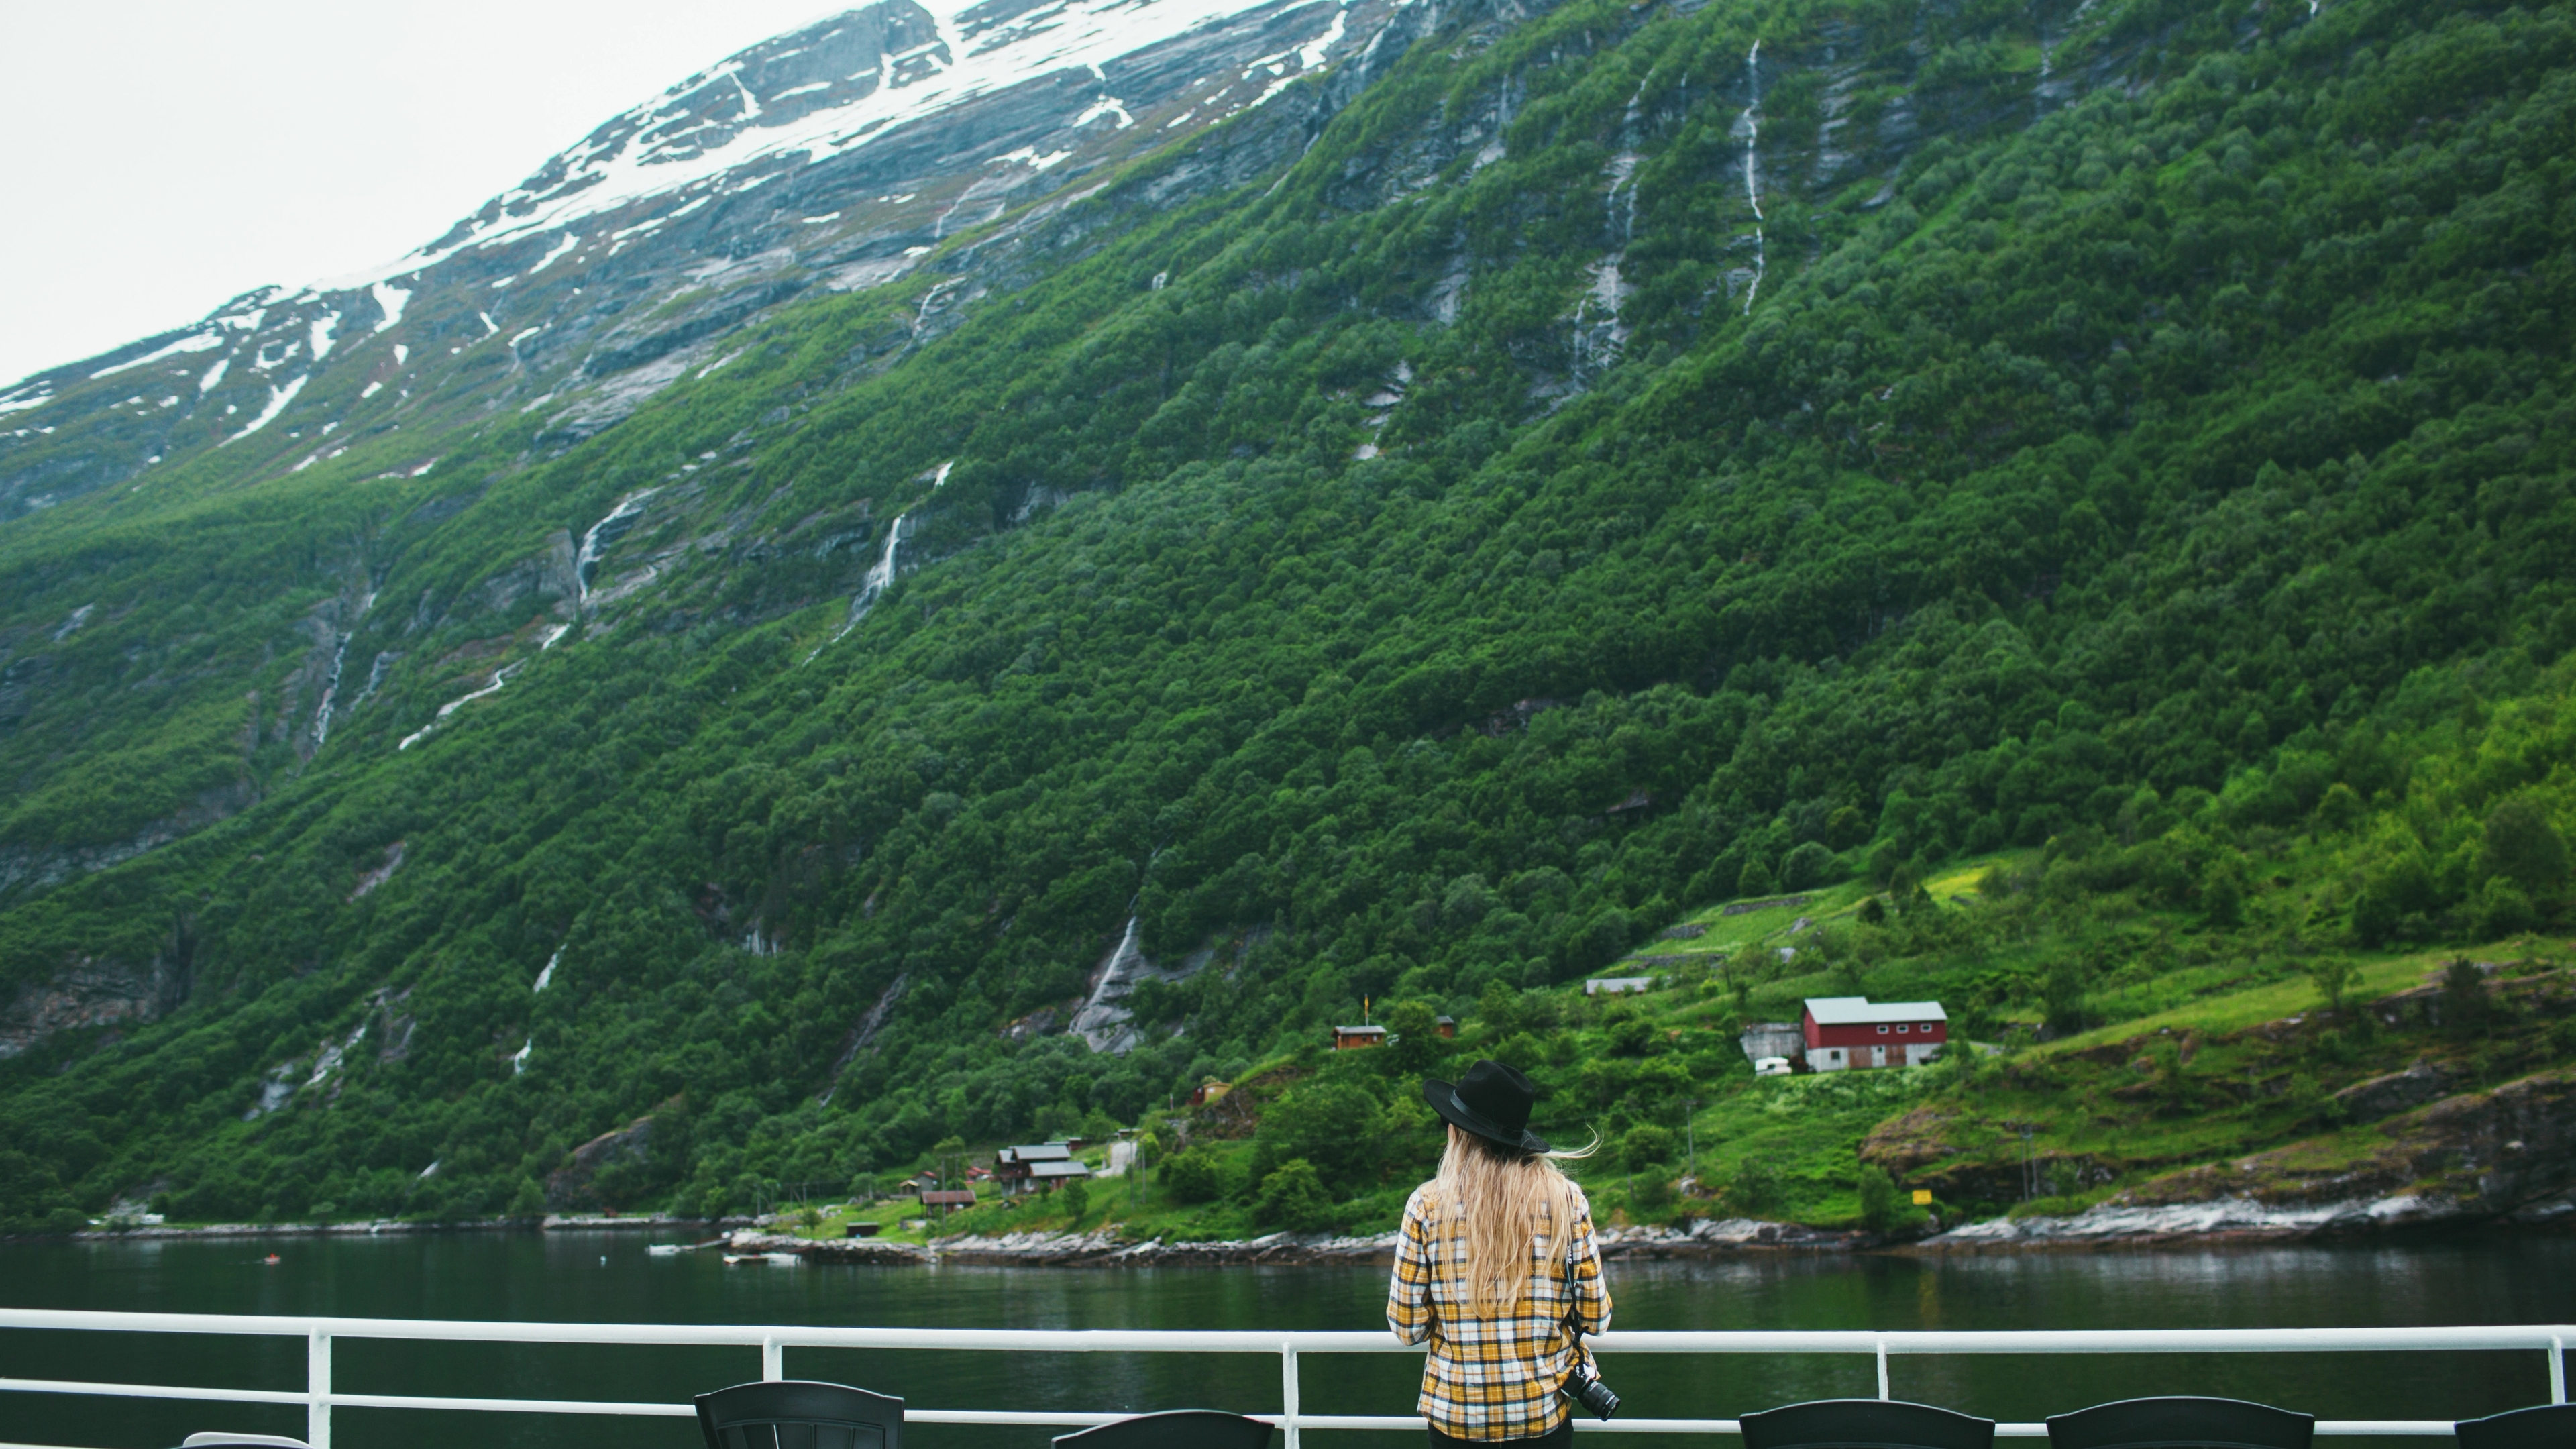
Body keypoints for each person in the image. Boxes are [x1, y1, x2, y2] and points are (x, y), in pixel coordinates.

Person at [1387, 1059, 1609, 1446]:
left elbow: (1407, 1329)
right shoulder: (1565, 1201)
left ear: (1460, 1134)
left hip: (1457, 1419)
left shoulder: (1425, 1205)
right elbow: (1596, 1317)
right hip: (1541, 1417)